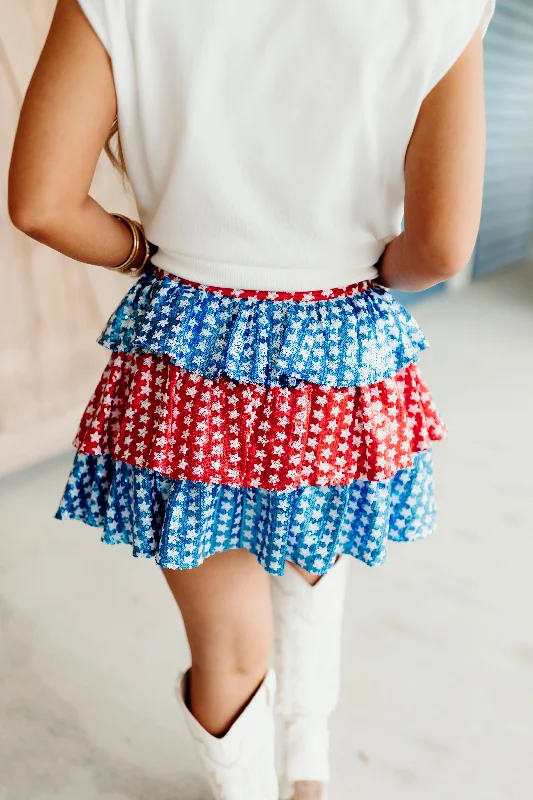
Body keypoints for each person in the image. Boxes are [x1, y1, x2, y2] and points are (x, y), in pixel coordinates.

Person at [8, 1, 494, 798]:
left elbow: (42, 203)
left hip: (188, 348)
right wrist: (364, 278)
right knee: (310, 556)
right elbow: (440, 243)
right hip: (333, 344)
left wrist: (141, 250)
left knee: (228, 641)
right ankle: (308, 769)